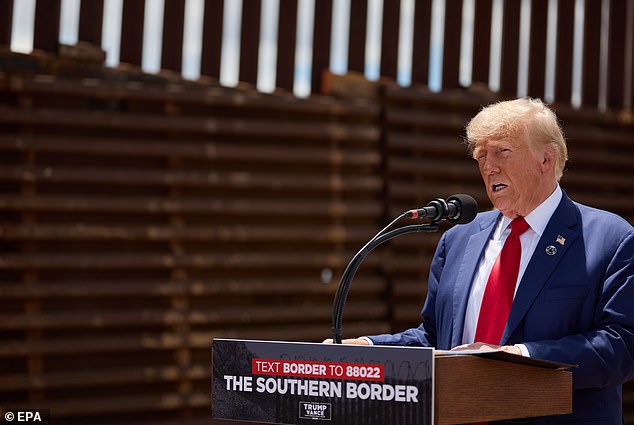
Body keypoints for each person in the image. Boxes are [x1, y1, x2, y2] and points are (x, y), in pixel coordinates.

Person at [324, 98, 634, 423]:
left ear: (547, 158)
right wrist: (368, 348)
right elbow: (436, 339)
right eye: (481, 156)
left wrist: (522, 356)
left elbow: (623, 345)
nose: (489, 167)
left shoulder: (610, 238)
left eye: (503, 152)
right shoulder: (458, 239)